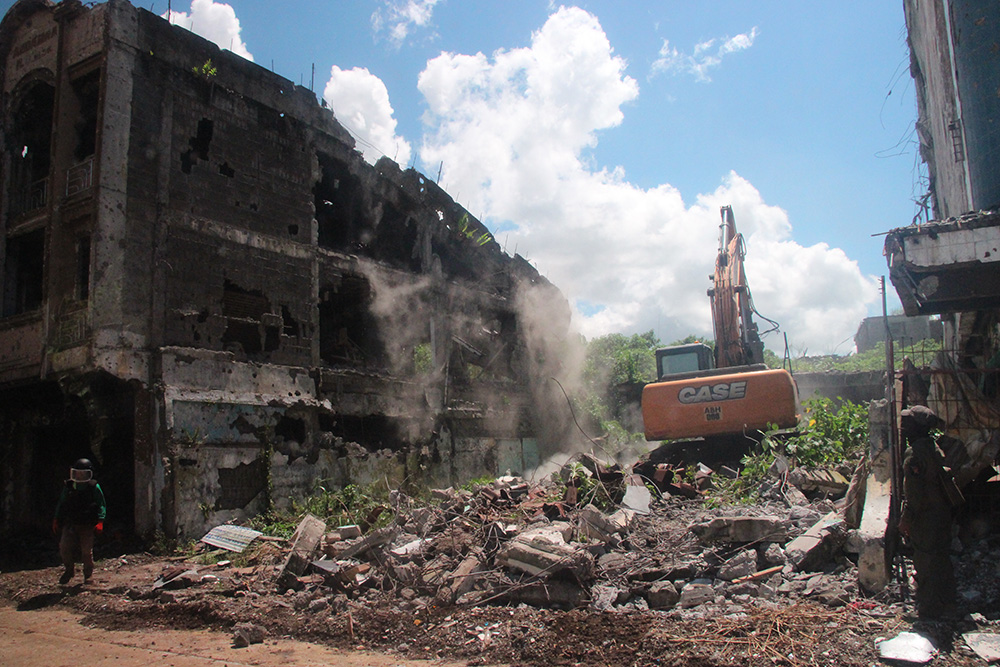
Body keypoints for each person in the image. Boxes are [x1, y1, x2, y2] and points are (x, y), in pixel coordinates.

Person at [898, 405, 960, 619]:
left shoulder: (914, 454)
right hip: (941, 513)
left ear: (916, 428)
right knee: (941, 558)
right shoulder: (932, 446)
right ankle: (948, 603)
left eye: (907, 425)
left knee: (925, 560)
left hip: (926, 516)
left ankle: (928, 609)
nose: (903, 430)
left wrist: (906, 520)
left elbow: (914, 494)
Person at [53, 458, 106, 585]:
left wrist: (100, 521)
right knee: (64, 548)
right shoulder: (70, 486)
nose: (80, 476)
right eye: (78, 473)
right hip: (70, 523)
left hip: (87, 525)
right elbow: (61, 503)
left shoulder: (94, 487)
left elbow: (101, 505)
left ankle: (88, 575)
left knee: (86, 552)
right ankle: (69, 570)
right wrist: (56, 518)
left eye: (83, 474)